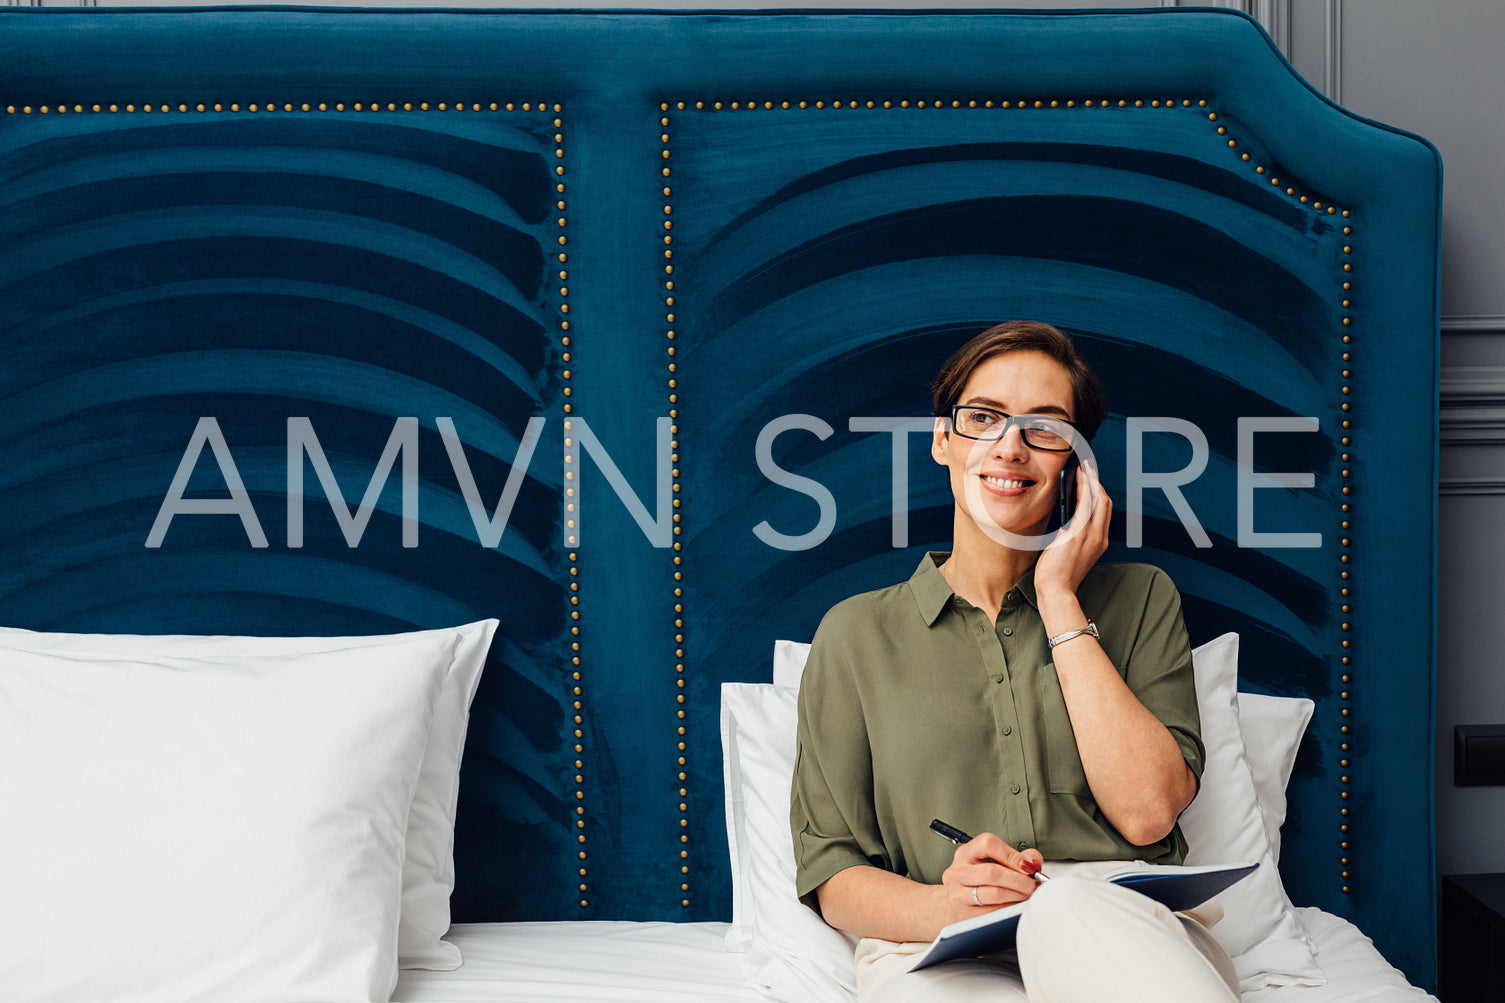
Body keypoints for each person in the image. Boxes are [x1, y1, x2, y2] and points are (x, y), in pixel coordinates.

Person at [789, 321, 1240, 1002]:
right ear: (942, 439)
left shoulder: (1141, 597)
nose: (1010, 446)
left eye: (1046, 427)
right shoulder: (853, 633)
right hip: (942, 944)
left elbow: (1147, 813)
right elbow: (832, 871)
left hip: (1120, 926)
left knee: (1066, 908)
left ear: (1073, 462)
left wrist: (1058, 598)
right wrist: (949, 903)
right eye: (983, 418)